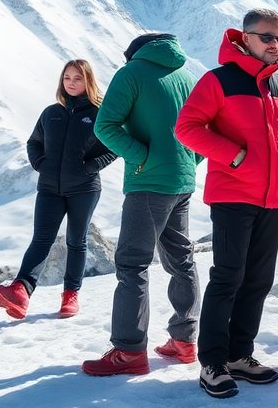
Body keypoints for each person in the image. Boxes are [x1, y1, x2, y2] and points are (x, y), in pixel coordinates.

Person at [174, 9, 278, 398]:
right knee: (229, 276)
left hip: (273, 198)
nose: (274, 44)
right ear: (244, 37)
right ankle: (213, 362)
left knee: (258, 280)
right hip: (233, 194)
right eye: (266, 37)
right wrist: (234, 156)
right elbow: (187, 127)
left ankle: (239, 355)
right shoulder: (219, 80)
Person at [82, 33, 203, 377]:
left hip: (148, 183)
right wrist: (188, 164)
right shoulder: (186, 76)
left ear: (133, 52)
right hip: (181, 182)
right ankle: (185, 340)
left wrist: (141, 158)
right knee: (181, 259)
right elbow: (208, 129)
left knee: (133, 264)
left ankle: (128, 350)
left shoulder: (131, 73)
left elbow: (105, 126)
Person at [0, 60, 117, 320]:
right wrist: (39, 163)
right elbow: (34, 142)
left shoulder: (100, 114)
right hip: (49, 189)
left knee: (76, 242)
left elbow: (114, 146)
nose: (71, 82)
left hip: (84, 188)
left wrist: (92, 166)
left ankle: (70, 296)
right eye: (67, 77)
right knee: (41, 240)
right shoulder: (51, 113)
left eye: (77, 78)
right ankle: (20, 293)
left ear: (88, 80)